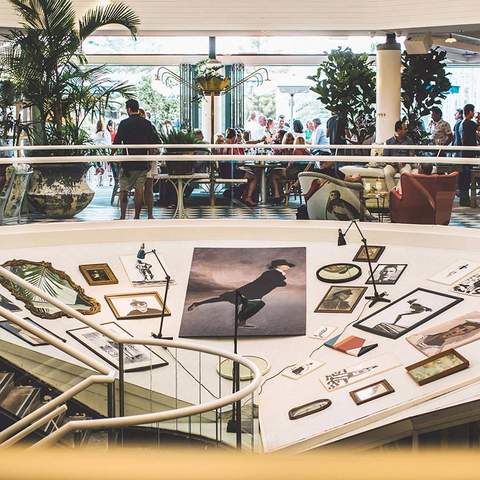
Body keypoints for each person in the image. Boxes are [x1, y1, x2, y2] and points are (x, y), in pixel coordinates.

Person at [187, 259, 295, 328]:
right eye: (286, 265)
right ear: (279, 266)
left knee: (247, 304)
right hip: (250, 291)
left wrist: (280, 282)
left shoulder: (278, 274)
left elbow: (281, 283)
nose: (288, 266)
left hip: (256, 294)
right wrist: (280, 282)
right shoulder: (271, 273)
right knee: (226, 298)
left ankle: (241, 321)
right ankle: (197, 303)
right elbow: (279, 283)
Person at [113, 99, 160, 220]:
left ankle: (123, 216)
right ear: (137, 109)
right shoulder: (147, 123)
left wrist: (110, 154)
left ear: (128, 109)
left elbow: (117, 142)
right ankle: (137, 216)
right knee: (139, 190)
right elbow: (154, 142)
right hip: (142, 162)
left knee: (123, 189)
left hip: (127, 163)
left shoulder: (124, 123)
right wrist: (149, 160)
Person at [383, 120, 414, 190]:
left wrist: (405, 161)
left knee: (406, 173)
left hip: (404, 164)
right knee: (387, 172)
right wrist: (392, 162)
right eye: (405, 129)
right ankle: (392, 193)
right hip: (392, 165)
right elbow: (385, 157)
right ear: (398, 130)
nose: (407, 130)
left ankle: (397, 194)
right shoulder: (389, 141)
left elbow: (412, 155)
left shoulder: (409, 141)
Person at [459, 104, 478, 206]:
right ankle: (465, 200)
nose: (474, 113)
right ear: (470, 112)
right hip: (468, 154)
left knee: (465, 177)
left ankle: (464, 199)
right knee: (467, 177)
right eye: (473, 111)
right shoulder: (469, 123)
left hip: (464, 153)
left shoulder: (461, 123)